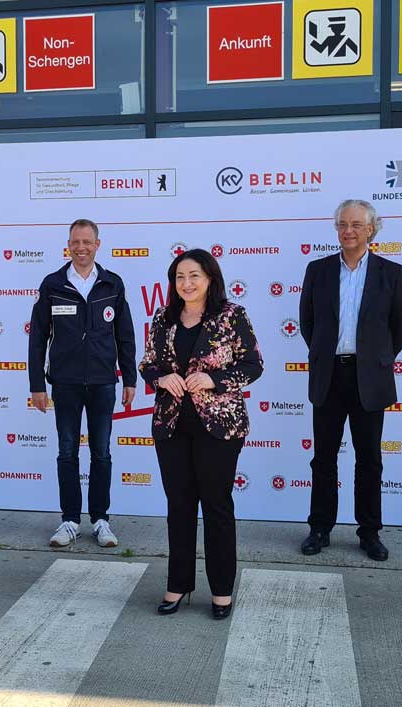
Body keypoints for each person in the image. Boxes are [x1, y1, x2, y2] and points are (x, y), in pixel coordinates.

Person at [139, 248, 262, 620]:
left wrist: (215, 378)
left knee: (217, 506)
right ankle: (178, 584)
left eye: (194, 276)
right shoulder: (164, 316)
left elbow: (254, 364)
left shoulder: (231, 315)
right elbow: (147, 363)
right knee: (179, 507)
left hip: (219, 427)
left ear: (210, 278)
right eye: (179, 277)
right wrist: (161, 378)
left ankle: (222, 590)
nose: (186, 283)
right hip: (171, 426)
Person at [299, 199, 402, 561]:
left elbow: (399, 328)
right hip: (329, 376)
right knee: (323, 459)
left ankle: (370, 532)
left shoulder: (391, 273)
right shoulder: (317, 271)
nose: (348, 231)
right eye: (342, 224)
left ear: (371, 229)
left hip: (369, 379)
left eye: (356, 225)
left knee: (369, 460)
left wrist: (376, 360)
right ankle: (319, 528)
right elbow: (309, 325)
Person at [28, 219, 137, 548]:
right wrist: (37, 385)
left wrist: (129, 378)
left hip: (104, 382)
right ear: (68, 244)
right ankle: (70, 520)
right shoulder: (53, 284)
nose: (81, 247)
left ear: (97, 244)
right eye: (75, 241)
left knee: (101, 453)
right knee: (66, 452)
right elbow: (37, 339)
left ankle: (101, 519)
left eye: (87, 241)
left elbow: (126, 337)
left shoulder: (112, 284)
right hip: (65, 383)